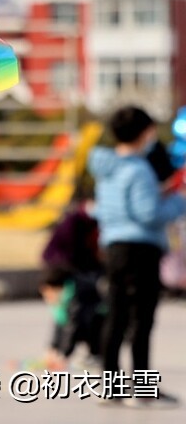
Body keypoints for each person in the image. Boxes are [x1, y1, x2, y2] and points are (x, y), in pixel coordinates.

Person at [89, 106, 186, 408]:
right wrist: (178, 202)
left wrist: (160, 195)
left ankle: (111, 387)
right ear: (144, 133)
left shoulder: (107, 169)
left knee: (116, 318)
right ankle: (142, 391)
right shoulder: (140, 169)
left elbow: (114, 208)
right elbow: (147, 214)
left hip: (115, 248)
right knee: (142, 320)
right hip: (141, 250)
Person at [38, 184, 104, 370]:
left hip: (71, 269)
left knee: (74, 312)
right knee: (66, 313)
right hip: (61, 268)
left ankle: (66, 350)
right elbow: (73, 252)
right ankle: (58, 351)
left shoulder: (89, 221)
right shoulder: (75, 222)